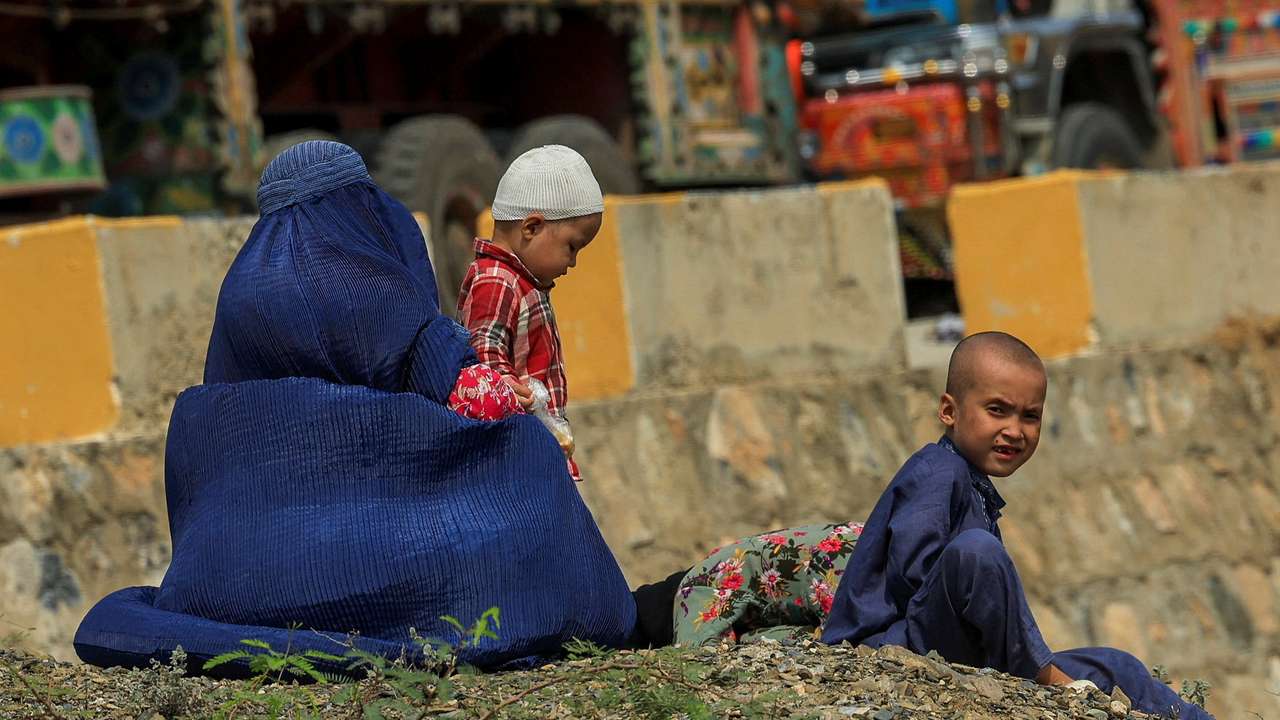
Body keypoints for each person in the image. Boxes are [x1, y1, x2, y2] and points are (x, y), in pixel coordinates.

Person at [74, 141, 635, 676]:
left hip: (228, 572)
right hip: (358, 551)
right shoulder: (361, 279)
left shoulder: (243, 289)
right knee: (522, 455)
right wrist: (521, 407)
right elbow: (446, 382)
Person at [820, 331, 1212, 720]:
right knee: (977, 551)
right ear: (949, 411)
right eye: (997, 410)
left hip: (960, 649)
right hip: (897, 645)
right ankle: (1045, 676)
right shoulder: (937, 471)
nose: (1015, 430)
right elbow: (916, 577)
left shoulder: (972, 483)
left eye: (1030, 416)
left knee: (1116, 667)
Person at [457, 144, 604, 481]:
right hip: (512, 446)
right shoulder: (497, 281)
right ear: (531, 228)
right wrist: (506, 385)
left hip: (533, 442)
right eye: (572, 247)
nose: (573, 262)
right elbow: (483, 348)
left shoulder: (522, 282)